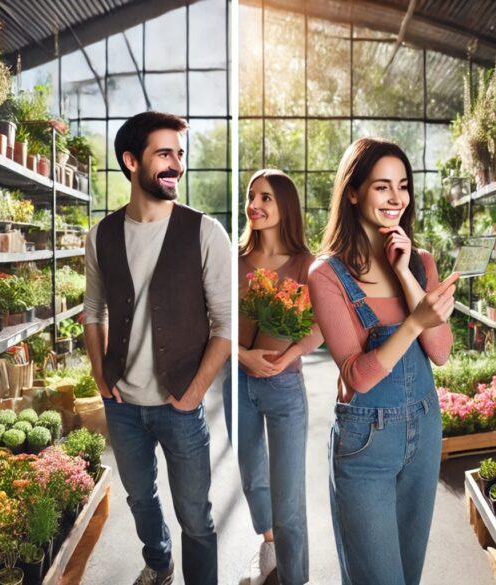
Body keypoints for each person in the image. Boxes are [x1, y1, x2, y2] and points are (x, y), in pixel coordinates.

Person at [83, 111, 231, 585]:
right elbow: (92, 312)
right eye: (164, 153)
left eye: (180, 154)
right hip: (123, 404)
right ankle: (160, 563)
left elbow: (225, 326)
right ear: (131, 161)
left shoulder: (205, 232)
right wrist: (100, 377)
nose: (176, 164)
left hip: (180, 405)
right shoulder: (101, 235)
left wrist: (193, 395)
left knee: (196, 515)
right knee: (140, 499)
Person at [307, 137, 458, 585]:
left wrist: (405, 274)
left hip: (425, 429)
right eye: (382, 187)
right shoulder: (327, 274)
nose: (396, 198)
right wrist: (413, 323)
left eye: (403, 186)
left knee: (407, 576)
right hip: (365, 442)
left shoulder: (422, 262)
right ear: (353, 192)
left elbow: (442, 351)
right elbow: (357, 376)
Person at [226, 170, 323, 585]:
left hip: (285, 387)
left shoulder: (308, 264)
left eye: (265, 197)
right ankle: (268, 547)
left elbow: (322, 325)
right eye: (251, 196)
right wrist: (243, 355)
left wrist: (291, 356)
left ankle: (295, 578)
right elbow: (212, 322)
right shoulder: (236, 260)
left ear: (286, 206)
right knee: (252, 476)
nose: (255, 205)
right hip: (238, 383)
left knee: (289, 497)